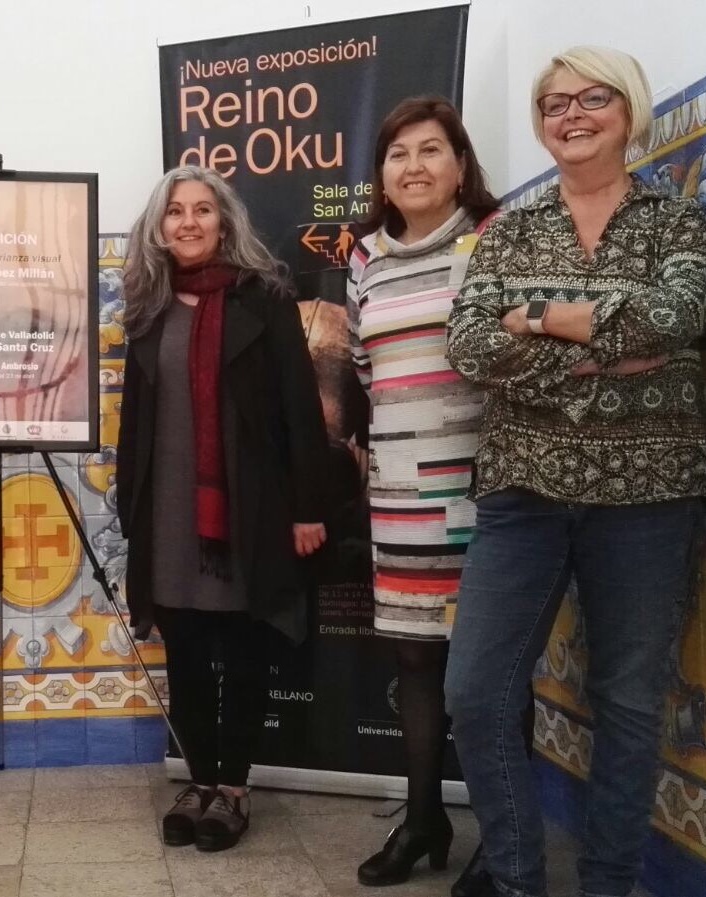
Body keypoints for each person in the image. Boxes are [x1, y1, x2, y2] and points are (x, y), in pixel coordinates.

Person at [443, 47, 706, 897]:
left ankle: (606, 885)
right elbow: (468, 344)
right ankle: (517, 879)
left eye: (591, 97)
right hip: (521, 489)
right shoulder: (510, 230)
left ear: (627, 109)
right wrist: (600, 352)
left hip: (647, 495)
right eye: (553, 103)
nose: (570, 114)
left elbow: (674, 316)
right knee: (475, 692)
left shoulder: (675, 222)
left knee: (629, 703)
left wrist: (532, 316)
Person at [116, 165, 328, 852]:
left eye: (201, 209)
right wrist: (129, 509)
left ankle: (232, 788)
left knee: (240, 653)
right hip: (168, 514)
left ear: (224, 221)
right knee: (183, 653)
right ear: (159, 227)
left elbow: (300, 409)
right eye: (174, 211)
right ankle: (197, 780)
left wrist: (306, 508)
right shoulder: (148, 309)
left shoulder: (263, 298)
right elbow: (134, 422)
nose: (188, 222)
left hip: (248, 510)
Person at [345, 96, 508, 891]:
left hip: (485, 491)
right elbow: (363, 366)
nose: (413, 166)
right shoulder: (364, 256)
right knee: (414, 656)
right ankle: (422, 819)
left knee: (490, 669)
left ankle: (503, 840)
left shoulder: (493, 238)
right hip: (399, 494)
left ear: (459, 163)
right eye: (397, 153)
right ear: (381, 174)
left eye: (430, 149)